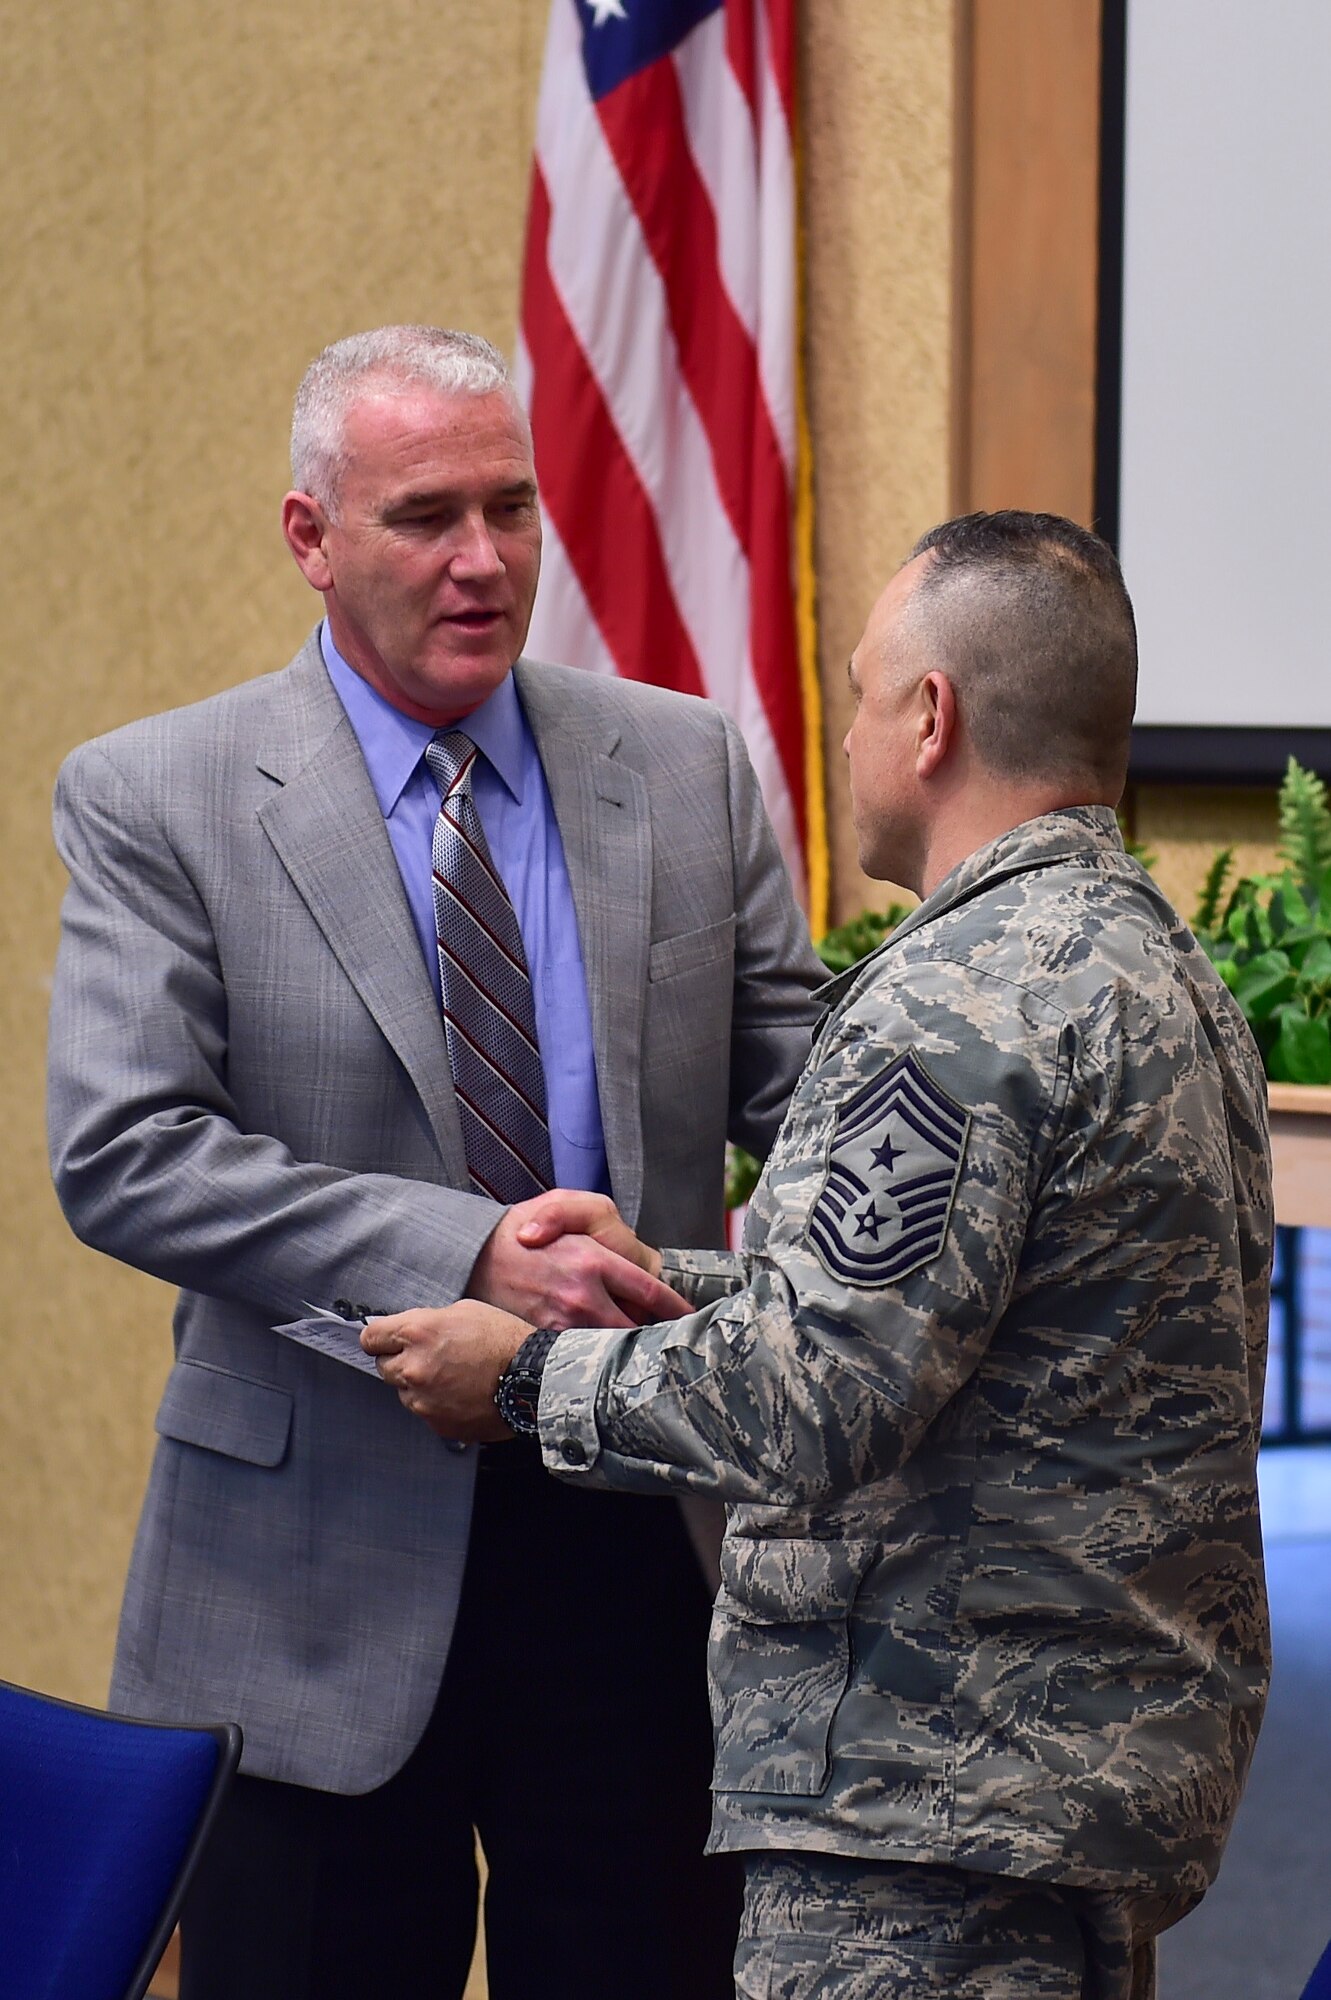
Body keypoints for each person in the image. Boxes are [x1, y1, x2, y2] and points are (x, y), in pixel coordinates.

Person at [364, 510, 1274, 2000]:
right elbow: (966, 1320)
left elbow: (816, 1401)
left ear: (933, 718)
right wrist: (667, 1275)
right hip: (1072, 1788)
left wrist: (529, 1378)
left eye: (859, 691)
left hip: (926, 1818)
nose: (843, 735)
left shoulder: (955, 1002)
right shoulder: (1152, 966)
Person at [46, 325, 826, 2000]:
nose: (483, 562)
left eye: (511, 507)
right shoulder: (159, 795)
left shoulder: (679, 764)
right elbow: (124, 1149)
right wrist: (461, 1252)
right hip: (309, 1572)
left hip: (636, 1540)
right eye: (423, 518)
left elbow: (809, 1080)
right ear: (310, 537)